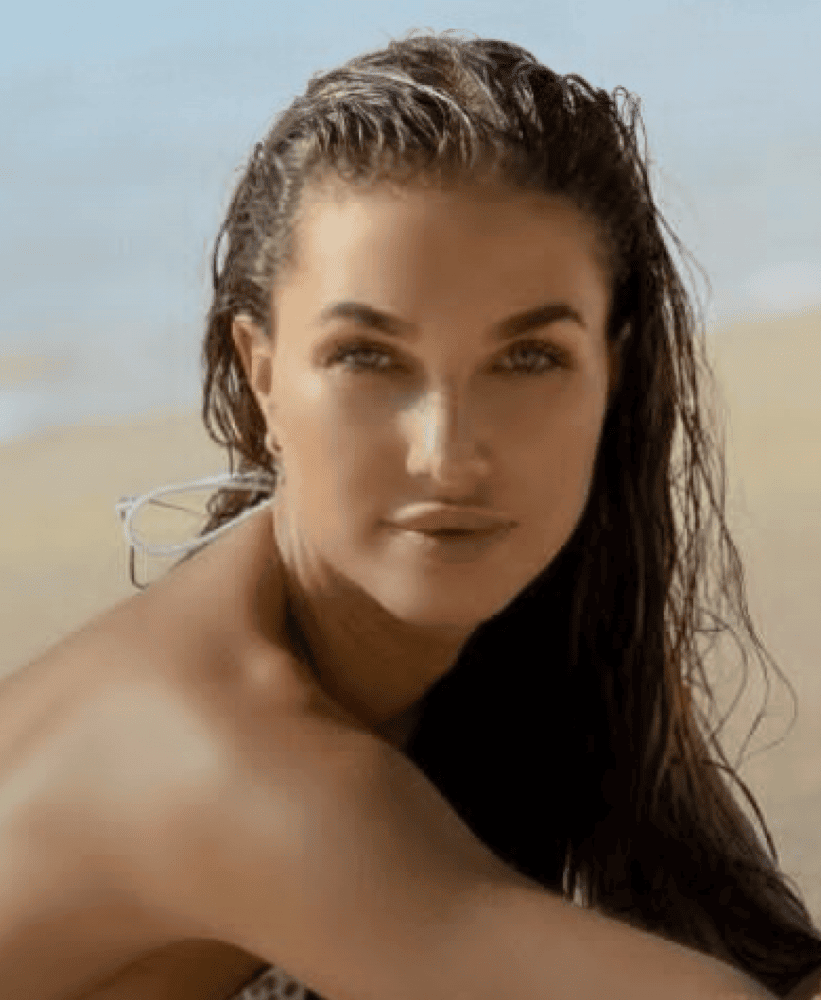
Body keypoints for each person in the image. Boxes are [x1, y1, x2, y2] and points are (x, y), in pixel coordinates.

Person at [2, 26, 821, 1000]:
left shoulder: (490, 647)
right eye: (366, 356)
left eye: (525, 358)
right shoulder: (224, 759)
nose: (446, 451)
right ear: (262, 373)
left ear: (614, 374)